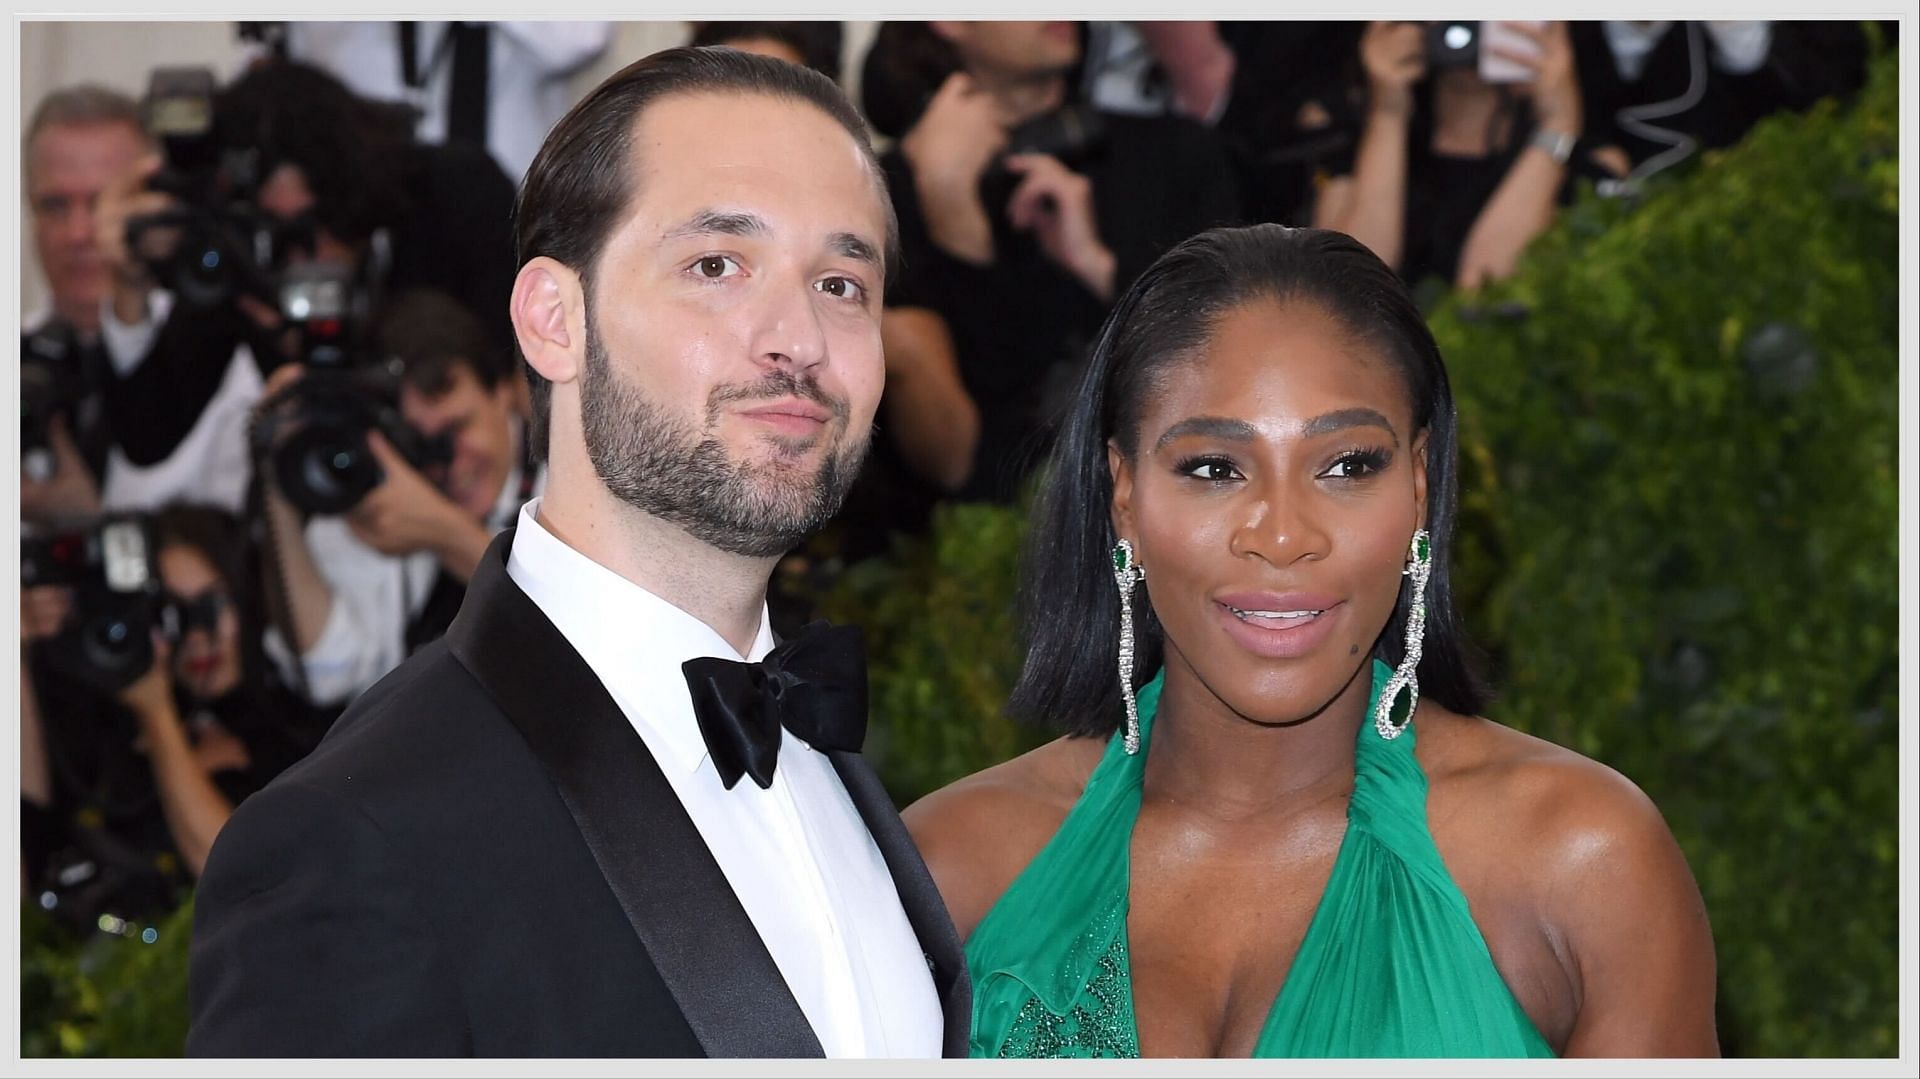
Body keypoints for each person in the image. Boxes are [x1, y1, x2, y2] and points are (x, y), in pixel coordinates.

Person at [188, 46, 968, 1057]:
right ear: (554, 321)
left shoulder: (834, 759)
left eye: (840, 280)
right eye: (717, 265)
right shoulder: (359, 837)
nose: (799, 337)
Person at [904, 224, 1719, 1057]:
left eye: (1346, 465)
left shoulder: (1582, 862)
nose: (1284, 535)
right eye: (1215, 468)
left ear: (1419, 482)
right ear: (1124, 498)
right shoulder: (953, 871)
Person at [21, 505, 337, 922]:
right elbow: (30, 830)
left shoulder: (306, 722)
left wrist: (158, 716)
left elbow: (241, 879)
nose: (198, 635)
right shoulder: (113, 716)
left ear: (246, 595)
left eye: (212, 604)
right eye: (172, 613)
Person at [257, 288, 540, 707]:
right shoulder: (386, 492)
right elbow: (326, 674)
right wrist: (278, 485)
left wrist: (447, 535)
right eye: (419, 443)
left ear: (504, 394)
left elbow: (596, 654)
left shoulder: (579, 476)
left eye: (455, 430)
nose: (448, 463)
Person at [1314, 21, 1622, 293]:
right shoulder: (1357, 144)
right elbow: (1345, 289)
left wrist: (1557, 125)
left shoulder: (1585, 160)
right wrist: (1387, 113)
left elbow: (1485, 293)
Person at [21, 84, 154, 523]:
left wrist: (85, 523)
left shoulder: (222, 371)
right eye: (56, 206)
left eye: (101, 204)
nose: (78, 234)